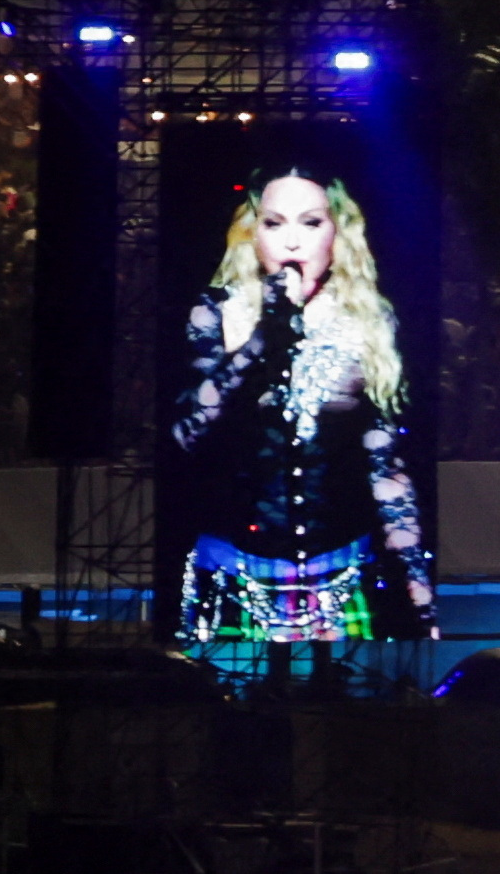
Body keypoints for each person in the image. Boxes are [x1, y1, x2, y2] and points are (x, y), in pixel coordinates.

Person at [170, 166, 434, 648]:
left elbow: (386, 466)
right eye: (274, 223)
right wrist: (259, 341)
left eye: (310, 223)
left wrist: (420, 591)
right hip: (234, 570)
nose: (292, 241)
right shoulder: (217, 312)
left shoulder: (368, 322)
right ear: (253, 234)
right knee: (233, 715)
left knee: (344, 716)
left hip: (341, 572)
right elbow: (188, 433)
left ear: (337, 233)